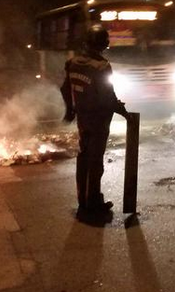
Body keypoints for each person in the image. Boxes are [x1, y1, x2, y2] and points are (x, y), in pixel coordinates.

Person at [60, 25, 129, 214]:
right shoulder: (102, 66)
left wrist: (70, 110)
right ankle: (94, 203)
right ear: (104, 44)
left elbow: (65, 88)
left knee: (83, 157)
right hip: (99, 120)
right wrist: (125, 113)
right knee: (95, 160)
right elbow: (109, 97)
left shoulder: (73, 63)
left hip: (83, 119)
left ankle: (83, 200)